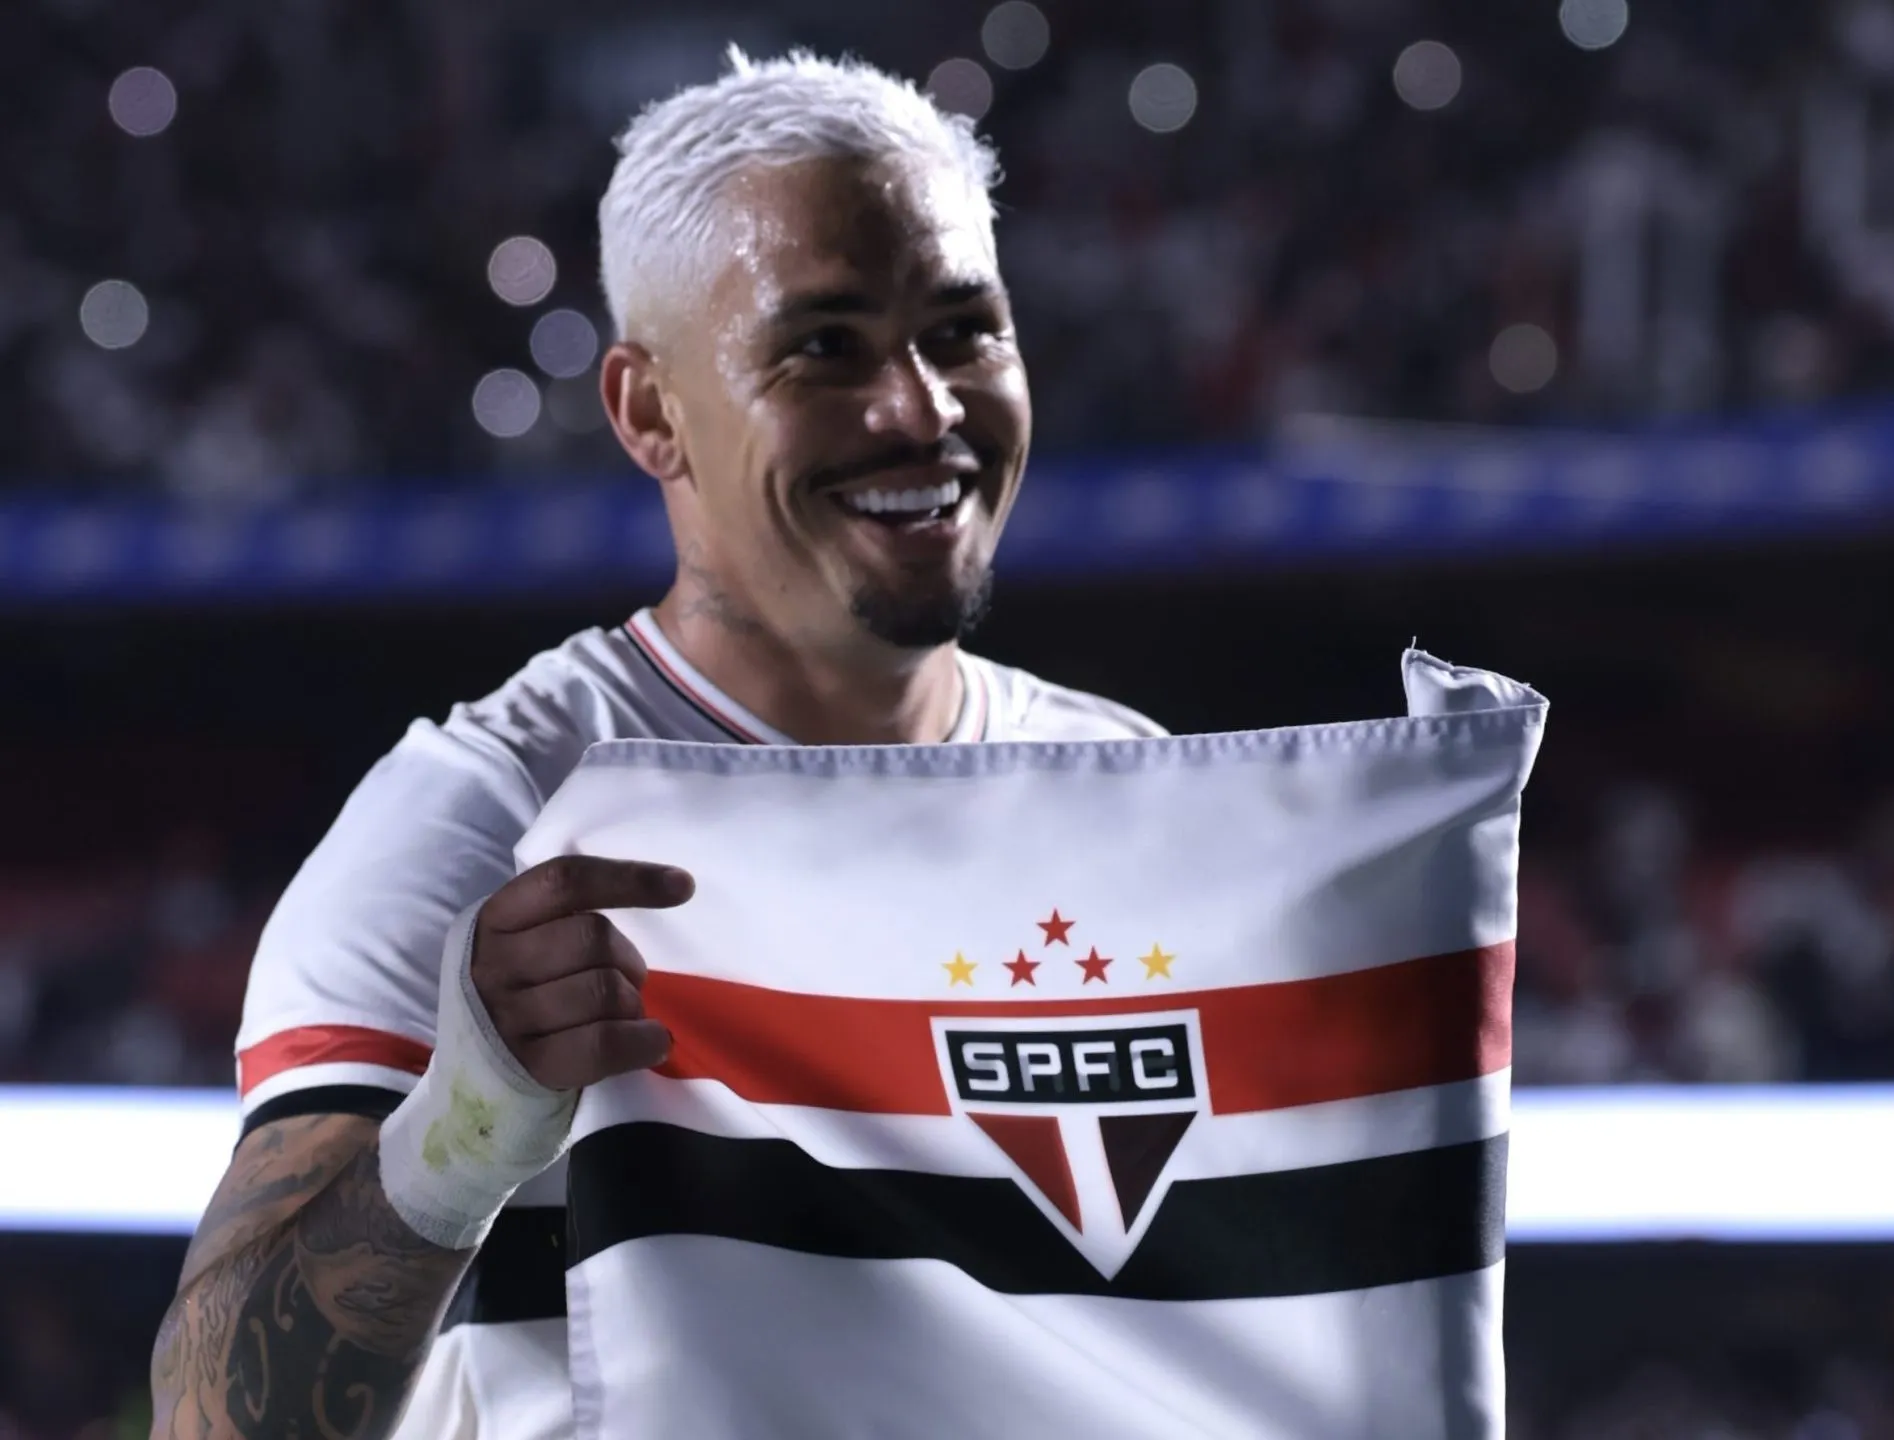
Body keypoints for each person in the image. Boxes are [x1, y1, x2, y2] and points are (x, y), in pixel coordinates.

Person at [148, 49, 1161, 1440]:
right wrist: (463, 1130)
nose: (920, 408)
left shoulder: (1141, 794)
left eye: (963, 330)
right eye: (825, 345)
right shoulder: (485, 825)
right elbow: (216, 1421)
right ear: (646, 411)